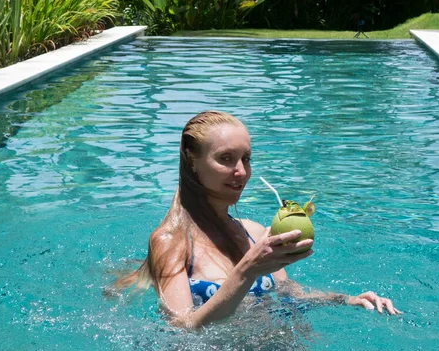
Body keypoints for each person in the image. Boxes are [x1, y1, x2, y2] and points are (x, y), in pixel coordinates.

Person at [112, 110, 401, 329]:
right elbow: (182, 328)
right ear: (192, 162)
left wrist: (346, 299)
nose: (241, 171)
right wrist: (246, 271)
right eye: (226, 159)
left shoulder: (251, 231)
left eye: (246, 159)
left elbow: (290, 293)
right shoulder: (171, 242)